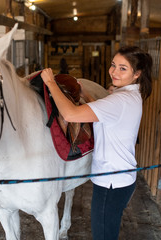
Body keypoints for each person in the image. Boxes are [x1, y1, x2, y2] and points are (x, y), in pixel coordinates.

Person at [41, 45, 153, 240]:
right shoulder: (128, 96)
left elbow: (70, 114)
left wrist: (50, 83)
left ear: (137, 74)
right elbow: (105, 114)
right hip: (120, 179)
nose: (114, 72)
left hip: (111, 183)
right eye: (113, 65)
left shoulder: (121, 100)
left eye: (122, 68)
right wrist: (87, 96)